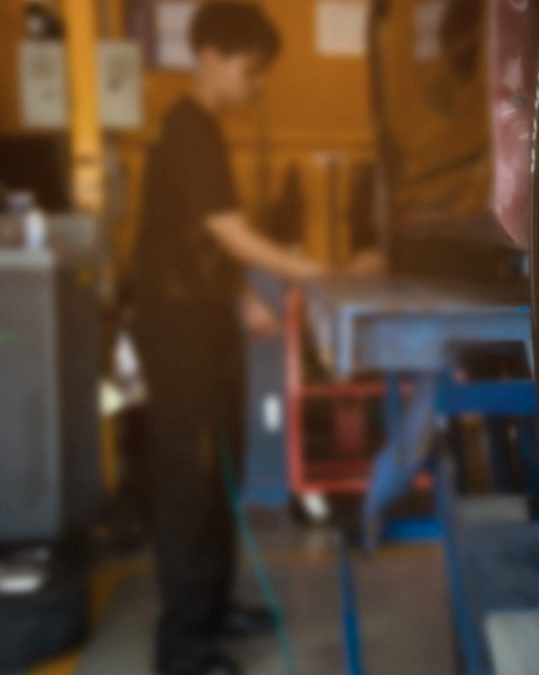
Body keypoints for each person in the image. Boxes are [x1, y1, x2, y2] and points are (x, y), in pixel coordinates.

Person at [127, 4, 324, 674]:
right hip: (176, 331)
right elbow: (232, 233)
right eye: (251, 69)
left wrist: (242, 299)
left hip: (205, 323)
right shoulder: (187, 130)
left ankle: (211, 609)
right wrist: (326, 274)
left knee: (221, 472)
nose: (257, 85)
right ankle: (182, 648)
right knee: (191, 479)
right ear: (210, 53)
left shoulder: (201, 130)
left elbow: (205, 243)